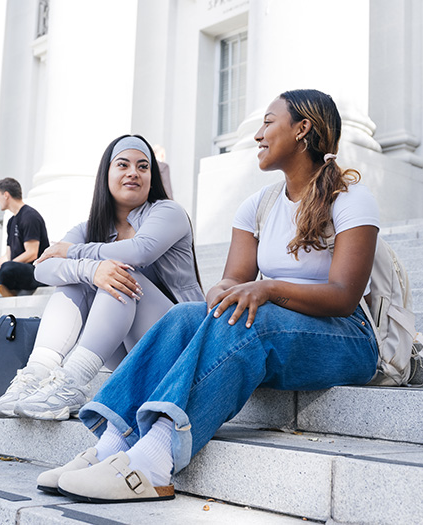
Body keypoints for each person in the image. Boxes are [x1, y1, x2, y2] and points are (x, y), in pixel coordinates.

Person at [39, 89, 381, 503]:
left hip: (346, 337)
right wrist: (226, 292)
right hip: (277, 330)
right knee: (185, 315)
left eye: (269, 122)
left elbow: (344, 296)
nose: (258, 134)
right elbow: (230, 280)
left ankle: (152, 464)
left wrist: (267, 288)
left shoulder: (350, 198)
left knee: (253, 321)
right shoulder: (257, 206)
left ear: (302, 129)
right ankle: (113, 445)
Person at [0, 134, 204, 421]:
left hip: (181, 346)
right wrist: (90, 270)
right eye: (123, 165)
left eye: (143, 167)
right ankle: (36, 373)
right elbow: (43, 269)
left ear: (152, 178)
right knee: (84, 278)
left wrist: (79, 254)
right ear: (106, 174)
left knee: (119, 273)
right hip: (129, 352)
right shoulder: (90, 227)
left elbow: (139, 251)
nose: (133, 173)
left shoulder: (169, 212)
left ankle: (73, 381)